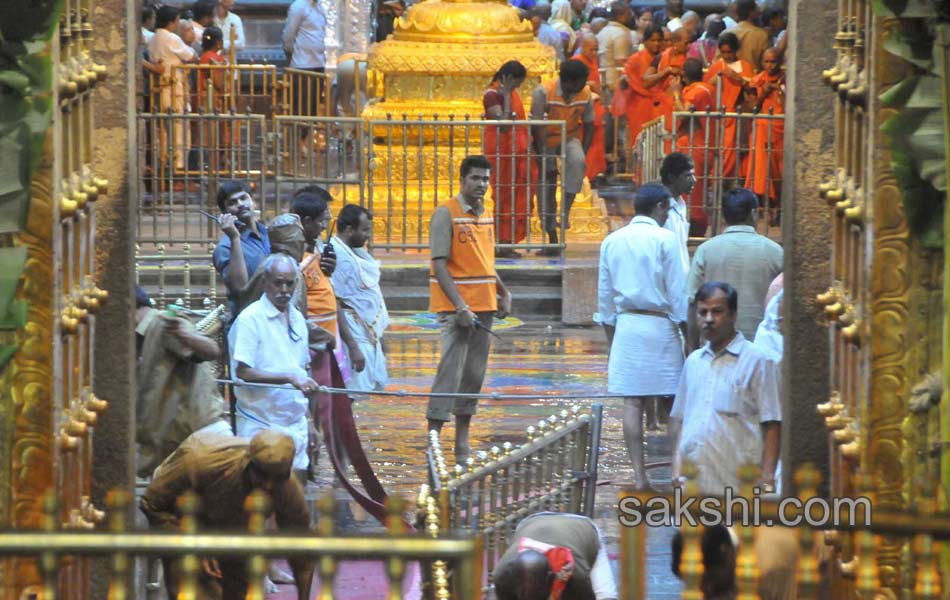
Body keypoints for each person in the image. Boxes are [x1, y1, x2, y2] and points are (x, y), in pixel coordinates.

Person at [140, 429, 314, 599]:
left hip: (235, 530)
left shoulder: (287, 489)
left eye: (277, 478)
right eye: (262, 475)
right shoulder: (199, 461)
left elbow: (302, 557)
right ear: (248, 463)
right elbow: (151, 504)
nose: (268, 485)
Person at [595, 183, 687, 490]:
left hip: (628, 326)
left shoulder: (612, 241)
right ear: (661, 206)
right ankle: (676, 471)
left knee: (631, 404)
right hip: (661, 325)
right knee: (675, 403)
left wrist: (612, 340)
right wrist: (687, 334)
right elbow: (678, 292)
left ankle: (639, 477)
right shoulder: (666, 239)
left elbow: (605, 299)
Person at [426, 155, 512, 464]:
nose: (481, 184)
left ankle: (462, 439)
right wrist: (459, 306)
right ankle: (433, 438)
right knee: (450, 371)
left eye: (486, 179)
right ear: (462, 180)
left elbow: (484, 260)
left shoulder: (485, 214)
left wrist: (502, 290)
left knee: (474, 374)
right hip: (457, 309)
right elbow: (438, 263)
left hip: (484, 304)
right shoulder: (445, 214)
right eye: (476, 178)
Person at [670, 282, 782, 495]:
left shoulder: (759, 361)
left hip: (739, 485)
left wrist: (767, 479)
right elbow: (681, 419)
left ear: (733, 315)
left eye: (717, 312)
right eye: (703, 312)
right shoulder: (693, 362)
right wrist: (676, 468)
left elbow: (773, 423)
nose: (709, 319)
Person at [228, 254, 319, 477]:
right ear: (265, 282)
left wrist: (309, 421)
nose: (284, 290)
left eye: (289, 283)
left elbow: (301, 372)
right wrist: (288, 378)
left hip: (295, 424)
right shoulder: (250, 319)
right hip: (260, 424)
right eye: (278, 282)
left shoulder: (297, 319)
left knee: (296, 501)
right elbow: (242, 372)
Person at [135, 287, 229, 478]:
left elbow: (210, 350)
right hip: (179, 447)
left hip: (202, 439)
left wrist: (186, 336)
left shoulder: (162, 323)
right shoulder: (140, 338)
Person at [686, 188, 783, 343]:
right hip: (760, 346)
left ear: (724, 216)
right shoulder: (775, 251)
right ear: (753, 214)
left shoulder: (706, 250)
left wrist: (691, 347)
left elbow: (692, 302)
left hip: (715, 345)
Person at [531, 59, 594, 250]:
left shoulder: (586, 93)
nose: (585, 85)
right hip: (545, 140)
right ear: (569, 82)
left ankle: (565, 211)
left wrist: (584, 149)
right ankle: (551, 234)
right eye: (582, 82)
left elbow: (589, 123)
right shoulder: (543, 92)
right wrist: (543, 156)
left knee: (578, 161)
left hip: (569, 137)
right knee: (547, 183)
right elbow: (535, 126)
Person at [330, 204, 390, 397]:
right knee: (348, 394)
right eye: (364, 230)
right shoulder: (337, 256)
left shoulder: (354, 253)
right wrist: (353, 346)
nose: (368, 236)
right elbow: (335, 300)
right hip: (353, 333)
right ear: (349, 230)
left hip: (366, 332)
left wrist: (381, 335)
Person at [492, 512, 619, 600]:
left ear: (551, 578)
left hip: (582, 528)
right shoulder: (502, 575)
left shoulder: (575, 574)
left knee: (606, 596)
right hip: (532, 522)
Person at [482, 61, 534, 256]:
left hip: (516, 152)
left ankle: (508, 241)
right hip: (501, 152)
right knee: (504, 196)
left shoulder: (511, 95)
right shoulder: (492, 95)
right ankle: (502, 242)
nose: (518, 87)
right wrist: (504, 96)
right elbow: (502, 125)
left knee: (516, 196)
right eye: (517, 82)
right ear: (508, 78)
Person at [672, 523, 799, 600]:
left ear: (726, 553)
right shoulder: (726, 559)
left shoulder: (765, 567)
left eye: (707, 581)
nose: (705, 591)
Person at [148, 6, 197, 172]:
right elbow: (191, 56)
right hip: (174, 87)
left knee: (162, 131)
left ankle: (163, 167)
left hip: (159, 87)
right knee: (178, 131)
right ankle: (177, 170)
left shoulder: (154, 37)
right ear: (172, 22)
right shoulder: (171, 38)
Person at [211, 180, 271, 316]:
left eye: (243, 198)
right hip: (249, 320)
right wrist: (235, 238)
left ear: (252, 201)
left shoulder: (268, 234)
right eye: (232, 203)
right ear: (225, 212)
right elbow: (240, 287)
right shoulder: (225, 247)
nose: (240, 204)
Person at [670, 58, 714, 236]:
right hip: (705, 143)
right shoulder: (709, 88)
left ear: (685, 76)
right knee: (699, 189)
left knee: (691, 190)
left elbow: (683, 114)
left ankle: (693, 232)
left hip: (695, 146)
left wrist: (675, 93)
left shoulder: (695, 92)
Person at [703, 32, 754, 180]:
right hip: (720, 117)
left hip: (739, 117)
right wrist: (715, 79)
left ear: (736, 50)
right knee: (720, 152)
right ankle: (716, 182)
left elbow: (753, 88)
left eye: (729, 52)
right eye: (723, 52)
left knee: (736, 152)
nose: (726, 55)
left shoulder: (745, 66)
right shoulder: (717, 66)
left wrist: (738, 79)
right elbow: (705, 88)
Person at [745, 47, 786, 220]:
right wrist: (764, 92)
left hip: (781, 130)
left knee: (780, 170)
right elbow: (752, 108)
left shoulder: (787, 79)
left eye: (773, 62)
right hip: (763, 130)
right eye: (766, 62)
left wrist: (781, 90)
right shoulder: (756, 81)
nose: (770, 66)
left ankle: (780, 208)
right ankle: (765, 206)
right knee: (763, 168)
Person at [622, 24, 670, 145]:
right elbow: (635, 82)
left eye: (659, 40)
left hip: (662, 107)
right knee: (640, 144)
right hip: (639, 107)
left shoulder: (666, 57)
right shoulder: (635, 60)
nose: (656, 44)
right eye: (653, 40)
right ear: (645, 41)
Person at [571, 38, 607, 184]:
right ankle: (586, 174)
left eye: (596, 49)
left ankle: (595, 173)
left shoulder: (593, 62)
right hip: (582, 109)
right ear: (582, 47)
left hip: (595, 107)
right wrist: (588, 84)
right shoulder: (576, 61)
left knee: (596, 143)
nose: (594, 52)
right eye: (591, 49)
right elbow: (570, 83)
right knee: (587, 143)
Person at [658, 152, 695, 275]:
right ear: (672, 178)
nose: (694, 180)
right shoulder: (660, 209)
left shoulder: (680, 204)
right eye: (688, 176)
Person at [596, 0, 633, 93]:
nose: (631, 16)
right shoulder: (620, 34)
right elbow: (621, 62)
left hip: (603, 79)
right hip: (614, 83)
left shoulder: (603, 31)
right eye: (628, 14)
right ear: (620, 16)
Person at [721, 0, 769, 71]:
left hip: (729, 77)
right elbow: (767, 61)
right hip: (753, 77)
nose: (759, 12)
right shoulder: (761, 34)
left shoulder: (725, 33)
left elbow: (717, 60)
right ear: (751, 13)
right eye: (757, 10)